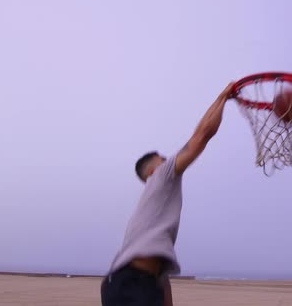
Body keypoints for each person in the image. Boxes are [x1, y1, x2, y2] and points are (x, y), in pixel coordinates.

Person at [101, 82, 236, 306]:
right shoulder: (162, 175)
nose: (169, 159)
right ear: (154, 171)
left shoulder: (146, 214)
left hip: (127, 282)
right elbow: (200, 137)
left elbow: (159, 275)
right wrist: (223, 97)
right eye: (163, 158)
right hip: (132, 283)